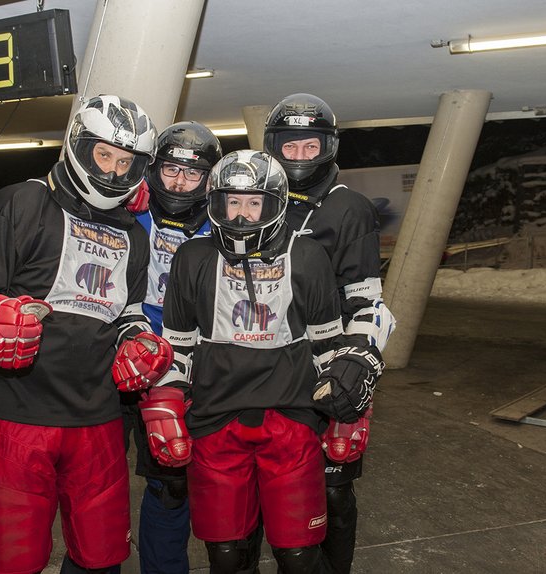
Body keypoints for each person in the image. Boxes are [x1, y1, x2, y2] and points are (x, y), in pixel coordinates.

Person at [0, 94, 175, 574]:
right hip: (16, 414)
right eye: (103, 155)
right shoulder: (21, 202)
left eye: (125, 161)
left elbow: (125, 310)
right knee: (12, 560)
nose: (111, 170)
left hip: (98, 417)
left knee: (102, 554)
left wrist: (138, 340)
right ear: (79, 148)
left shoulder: (134, 233)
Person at [147, 149, 384, 573]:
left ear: (274, 205)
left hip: (291, 421)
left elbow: (327, 346)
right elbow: (178, 345)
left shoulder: (308, 255)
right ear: (215, 203)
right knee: (226, 555)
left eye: (254, 203)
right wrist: (164, 403)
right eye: (232, 202)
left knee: (298, 554)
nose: (242, 215)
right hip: (214, 422)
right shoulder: (193, 258)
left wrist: (348, 412)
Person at [264, 92, 397, 574]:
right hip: (263, 361)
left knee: (333, 489)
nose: (299, 157)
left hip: (327, 364)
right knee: (270, 484)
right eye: (289, 146)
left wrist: (356, 364)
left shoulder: (350, 208)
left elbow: (366, 299)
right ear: (272, 146)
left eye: (310, 147)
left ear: (328, 148)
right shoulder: (260, 200)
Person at [118, 121, 222, 574]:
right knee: (94, 480)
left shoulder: (223, 228)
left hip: (180, 370)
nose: (179, 183)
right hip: (115, 358)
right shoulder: (123, 210)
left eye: (192, 173)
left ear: (208, 179)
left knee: (170, 481)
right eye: (171, 170)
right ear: (154, 169)